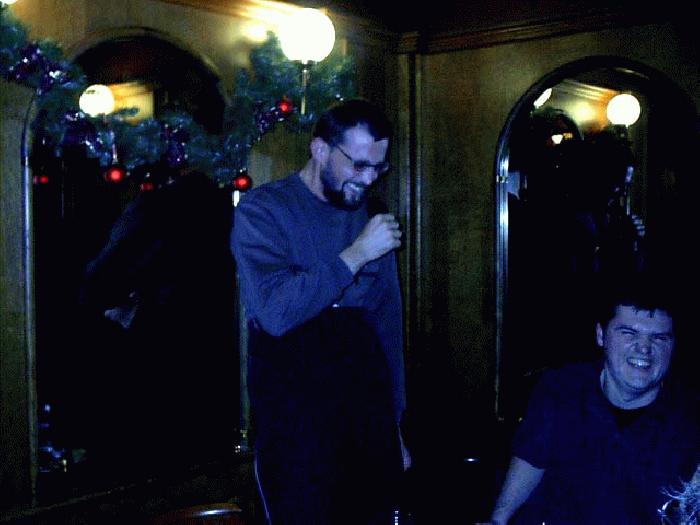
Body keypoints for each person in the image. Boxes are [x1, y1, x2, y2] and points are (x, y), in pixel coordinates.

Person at [231, 98, 410, 524]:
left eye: (378, 167)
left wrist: (396, 426)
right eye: (358, 164)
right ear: (320, 150)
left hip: (366, 412)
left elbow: (387, 325)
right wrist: (356, 255)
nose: (368, 179)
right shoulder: (263, 211)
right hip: (296, 419)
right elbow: (275, 312)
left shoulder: (370, 215)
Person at [490, 277, 699, 524]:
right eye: (629, 333)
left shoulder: (690, 418)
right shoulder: (561, 390)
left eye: (659, 338)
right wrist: (498, 520)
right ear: (601, 335)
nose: (644, 348)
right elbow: (531, 458)